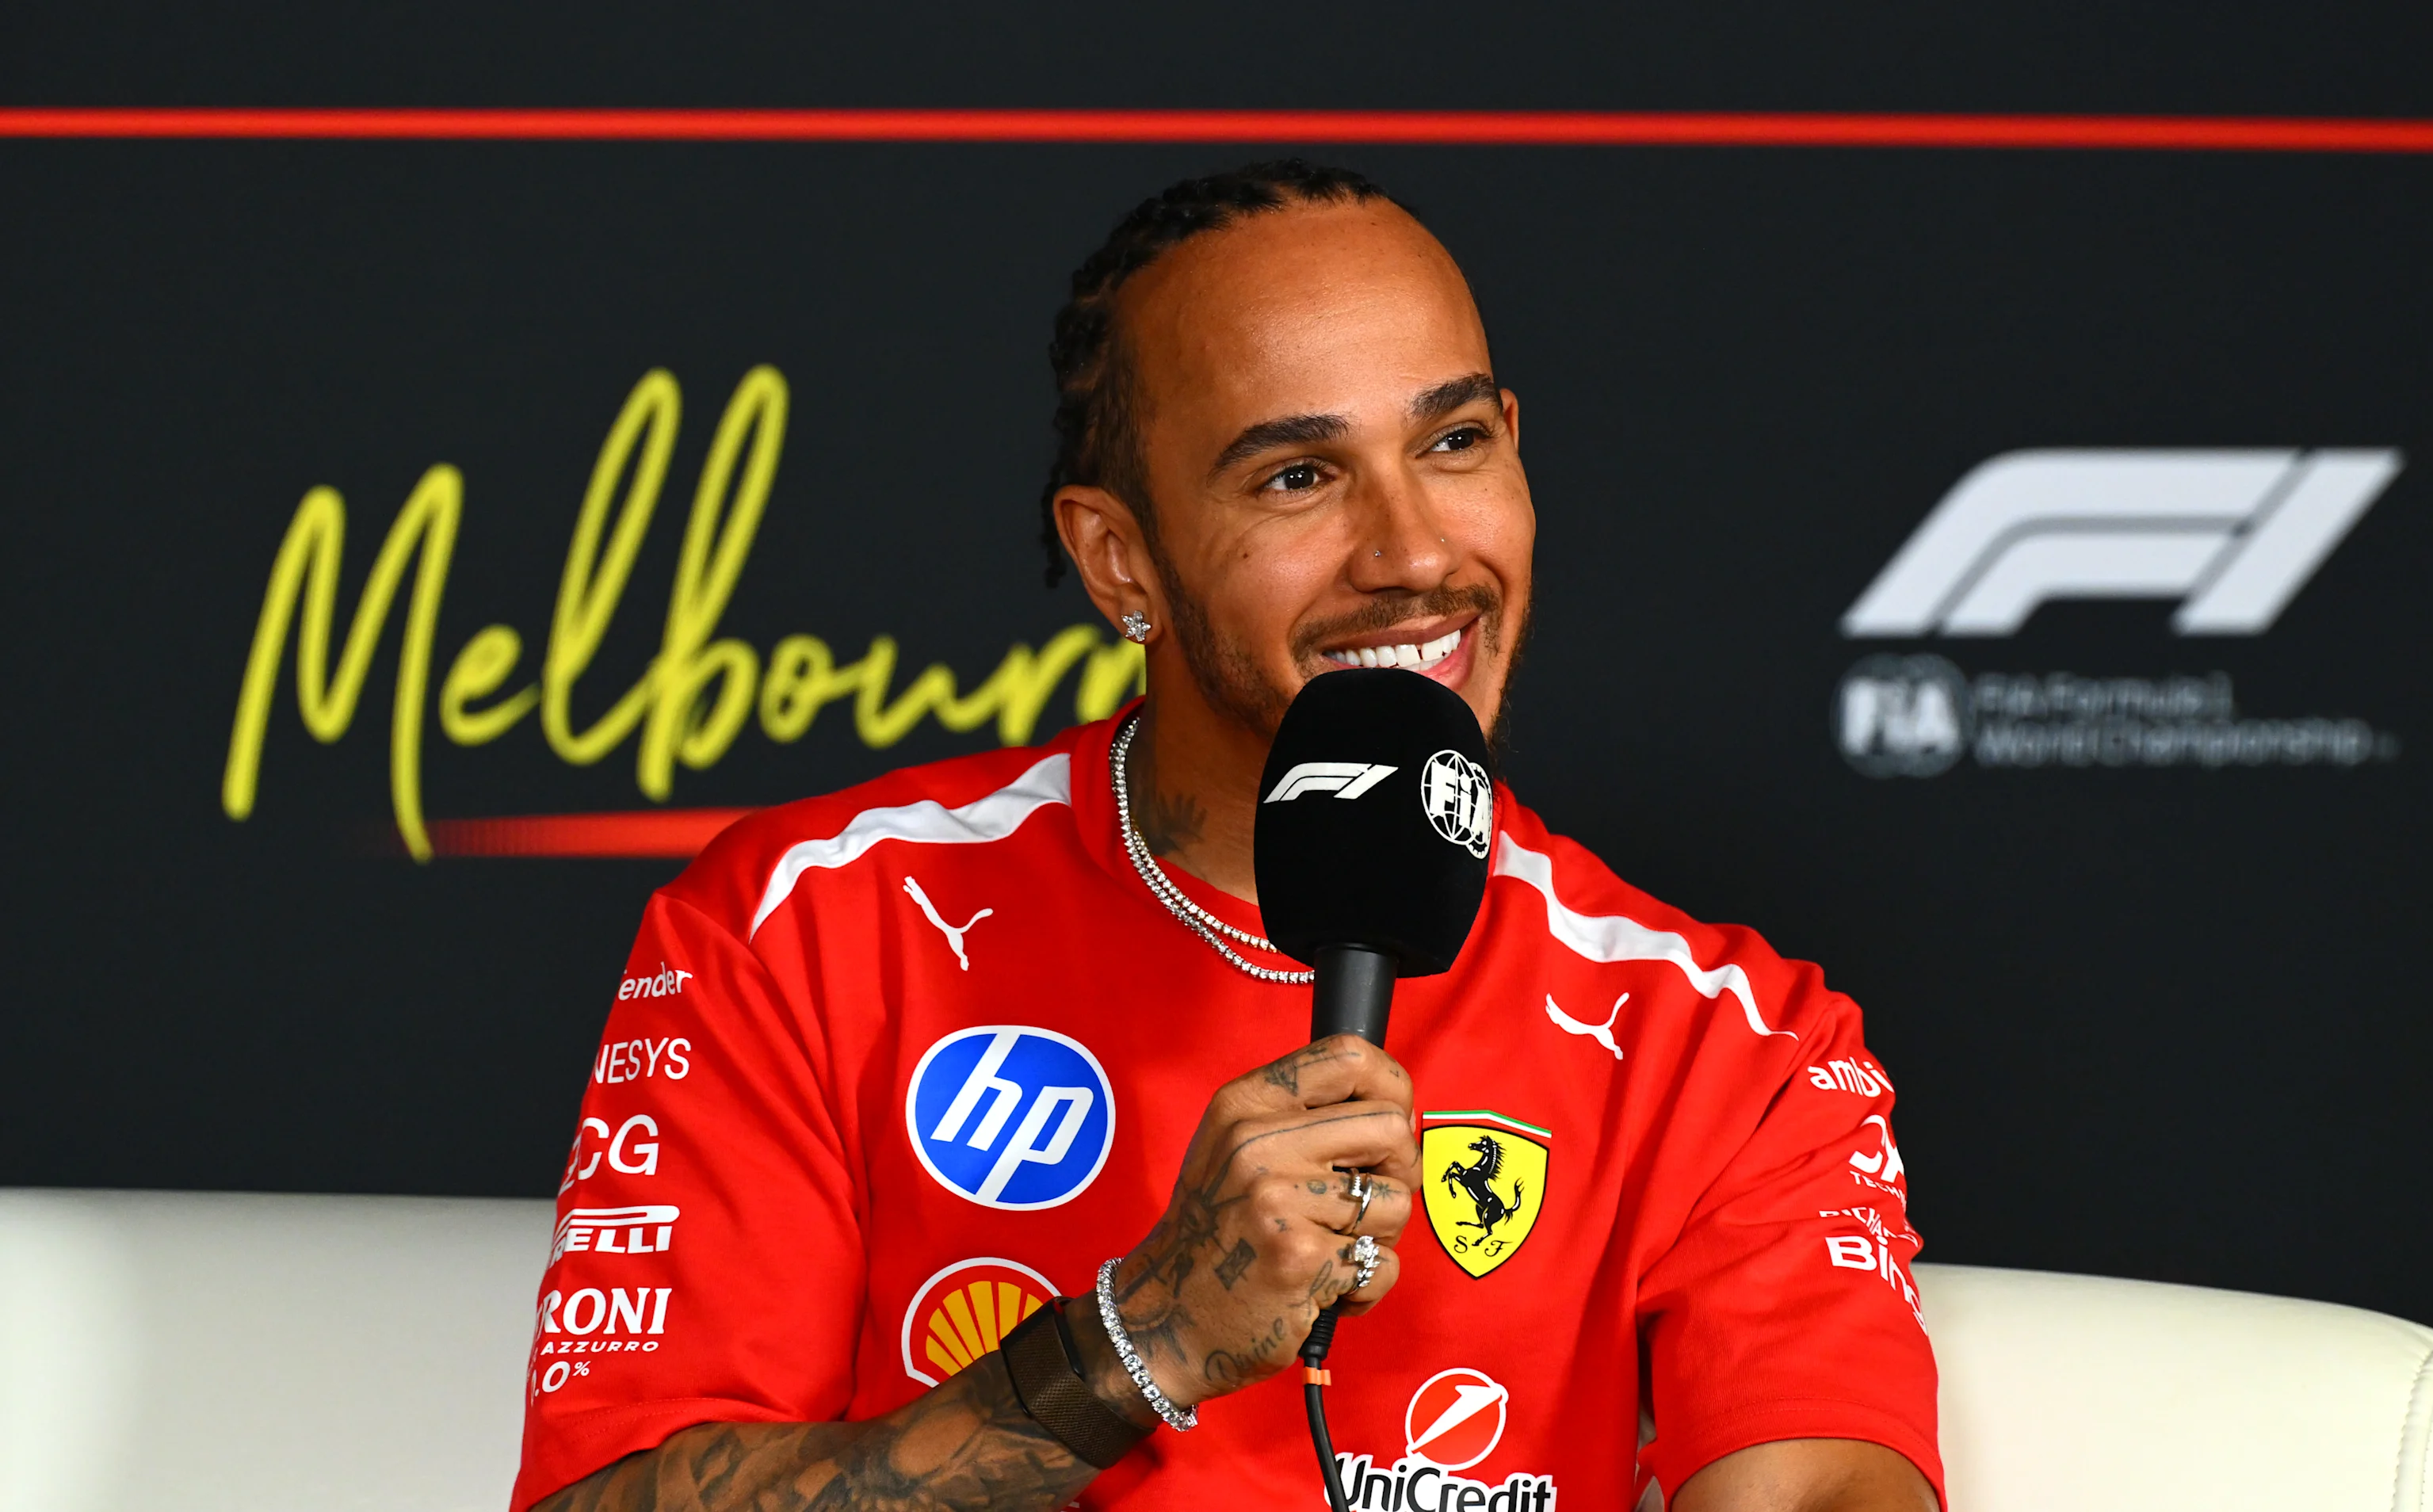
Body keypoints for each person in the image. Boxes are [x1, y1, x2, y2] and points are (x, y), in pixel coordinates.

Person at [516, 161, 1940, 1512]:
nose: (1414, 553)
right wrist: (1147, 1340)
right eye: (1297, 478)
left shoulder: (1739, 1048)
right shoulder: (804, 927)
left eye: (1453, 443)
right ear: (1118, 557)